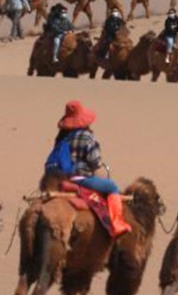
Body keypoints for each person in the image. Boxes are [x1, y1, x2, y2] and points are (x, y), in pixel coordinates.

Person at [49, 101, 130, 236]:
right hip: (82, 179)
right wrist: (98, 163)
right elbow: (94, 162)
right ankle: (117, 224)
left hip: (64, 178)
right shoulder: (87, 137)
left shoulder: (63, 137)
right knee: (112, 187)